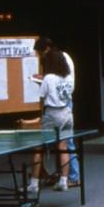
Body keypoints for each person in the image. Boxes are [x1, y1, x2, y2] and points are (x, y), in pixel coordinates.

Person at [34, 37, 80, 186]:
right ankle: (64, 176)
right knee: (63, 143)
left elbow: (46, 93)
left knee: (64, 144)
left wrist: (47, 82)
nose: (42, 57)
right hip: (65, 107)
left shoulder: (61, 59)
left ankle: (72, 176)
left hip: (59, 106)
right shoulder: (58, 67)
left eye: (41, 53)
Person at [27, 49, 73, 193]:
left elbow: (42, 97)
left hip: (52, 114)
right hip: (67, 113)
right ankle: (64, 181)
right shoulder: (66, 77)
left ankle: (34, 183)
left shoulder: (48, 78)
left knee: (39, 148)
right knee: (63, 146)